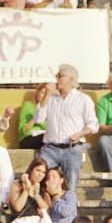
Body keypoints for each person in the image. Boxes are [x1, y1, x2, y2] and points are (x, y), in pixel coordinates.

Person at [36, 65, 97, 194]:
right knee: (37, 172)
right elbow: (38, 119)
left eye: (60, 75)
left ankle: (70, 209)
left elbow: (93, 125)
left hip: (72, 148)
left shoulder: (83, 99)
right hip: (50, 148)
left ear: (71, 79)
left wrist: (80, 133)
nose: (56, 78)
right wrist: (46, 95)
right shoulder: (50, 98)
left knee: (71, 181)